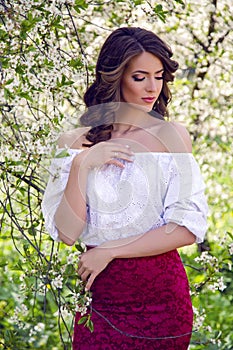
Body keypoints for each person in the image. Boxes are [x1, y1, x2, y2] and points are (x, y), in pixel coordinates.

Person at [42, 27, 208, 350]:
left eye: (159, 76)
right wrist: (82, 164)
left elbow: (187, 229)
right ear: (115, 78)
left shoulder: (171, 137)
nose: (152, 88)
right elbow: (66, 233)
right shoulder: (74, 143)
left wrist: (111, 250)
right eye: (140, 77)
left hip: (163, 302)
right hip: (100, 301)